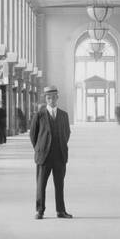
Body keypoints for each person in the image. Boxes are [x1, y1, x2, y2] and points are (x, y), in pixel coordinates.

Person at [29, 86, 72, 219]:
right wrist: (40, 148)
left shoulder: (64, 115)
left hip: (59, 155)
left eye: (54, 97)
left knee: (60, 185)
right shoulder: (39, 115)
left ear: (57, 98)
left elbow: (67, 133)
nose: (51, 100)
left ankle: (61, 211)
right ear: (45, 99)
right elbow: (33, 135)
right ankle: (40, 211)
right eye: (48, 98)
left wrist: (61, 145)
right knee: (41, 185)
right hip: (44, 156)